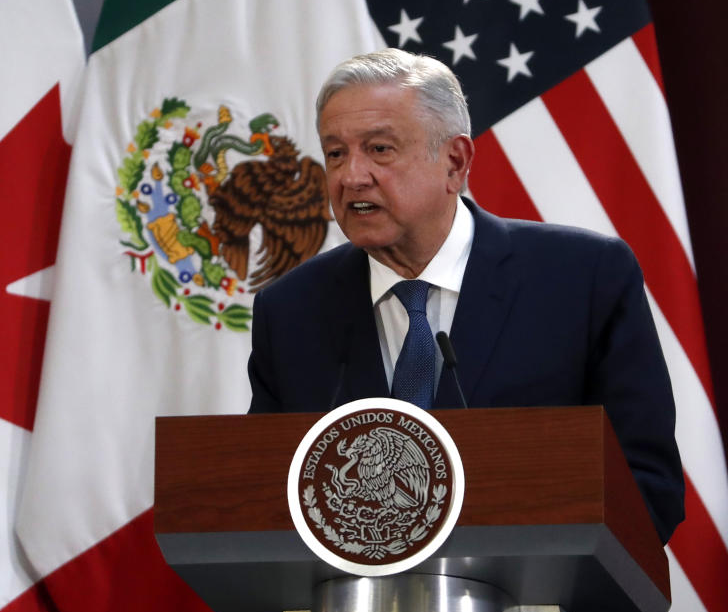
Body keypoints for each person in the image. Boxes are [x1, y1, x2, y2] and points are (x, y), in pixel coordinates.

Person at [246, 49, 684, 543]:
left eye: (380, 149)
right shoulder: (290, 311)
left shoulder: (584, 279)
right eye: (335, 153)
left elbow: (647, 487)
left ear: (455, 161)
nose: (352, 176)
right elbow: (266, 501)